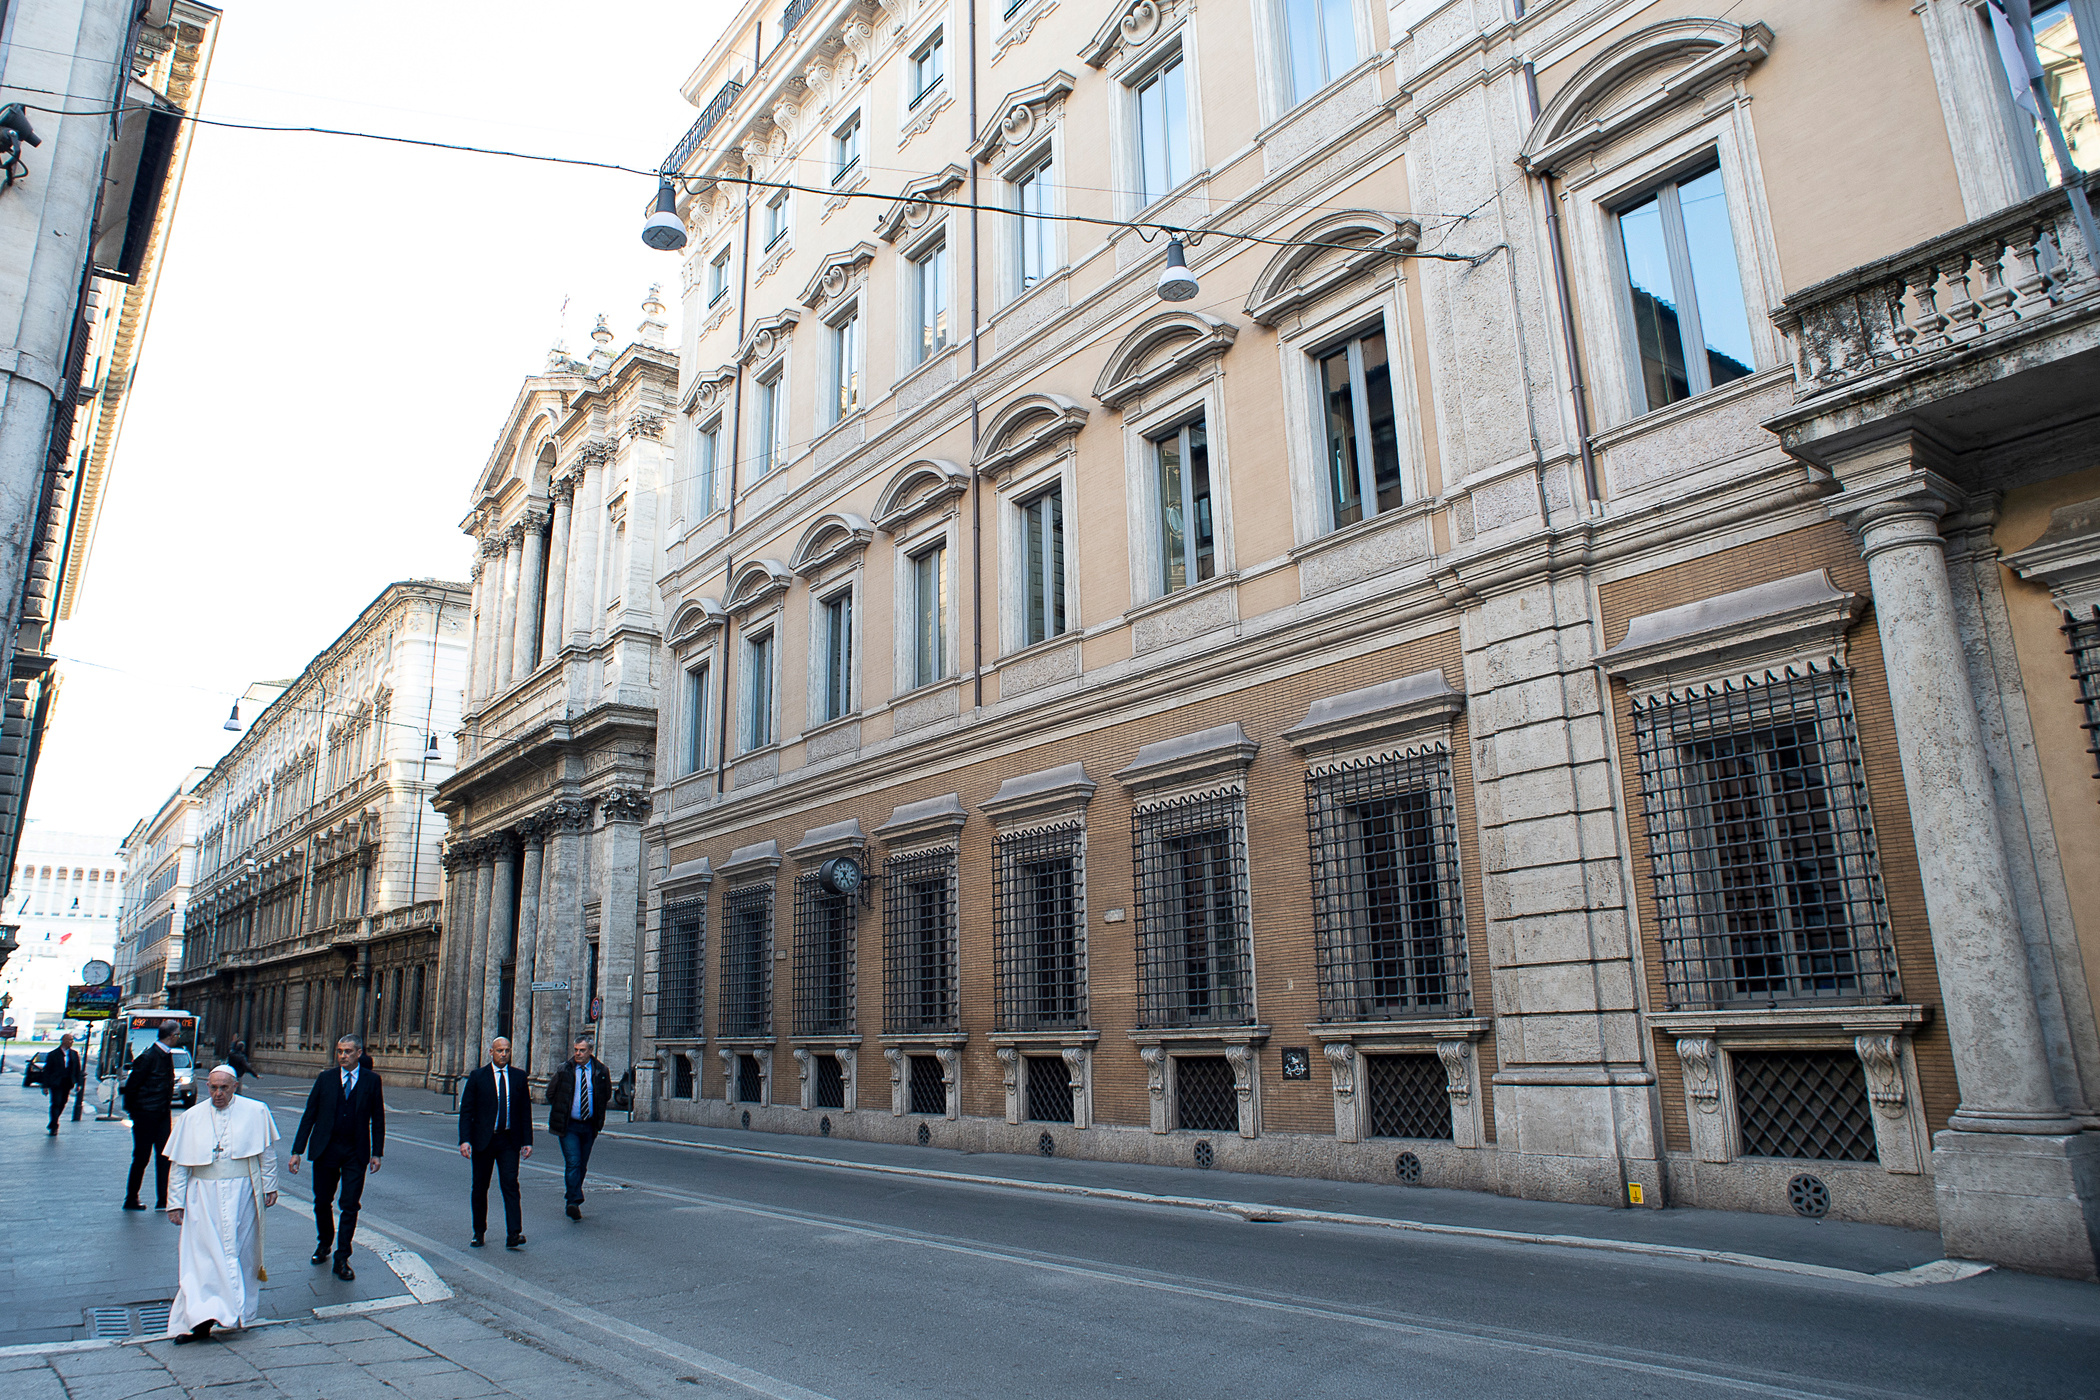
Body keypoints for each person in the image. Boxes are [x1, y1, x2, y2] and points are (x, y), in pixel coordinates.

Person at [164, 1066, 278, 1344]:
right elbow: (179, 1165)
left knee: (238, 1253)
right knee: (201, 1258)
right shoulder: (191, 1117)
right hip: (201, 1197)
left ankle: (235, 1314)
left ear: (235, 1086)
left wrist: (270, 1186)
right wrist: (175, 1203)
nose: (217, 1094)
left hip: (242, 1196)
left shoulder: (256, 1111)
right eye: (213, 1088)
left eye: (223, 1088)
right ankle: (199, 1320)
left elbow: (266, 1153)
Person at [287, 1034, 384, 1281]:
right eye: (340, 1051)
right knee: (322, 1201)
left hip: (355, 1151)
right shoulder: (325, 1079)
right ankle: (324, 1243)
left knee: (350, 1204)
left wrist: (377, 1153)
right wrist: (297, 1151)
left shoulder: (372, 1081)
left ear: (359, 1053)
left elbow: (378, 1119)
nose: (343, 1055)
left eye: (348, 1051)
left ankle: (342, 1258)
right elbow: (309, 1115)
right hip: (326, 1149)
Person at [457, 1036, 532, 1249]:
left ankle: (514, 1233)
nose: (504, 1054)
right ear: (491, 1052)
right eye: (499, 1050)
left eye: (507, 1050)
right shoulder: (478, 1077)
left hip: (508, 1140)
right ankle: (479, 1231)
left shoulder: (518, 1077)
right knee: (480, 1187)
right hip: (483, 1141)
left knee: (510, 1184)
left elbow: (525, 1111)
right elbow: (466, 1111)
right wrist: (465, 1140)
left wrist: (527, 1141)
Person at [546, 1036, 612, 1220]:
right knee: (573, 1162)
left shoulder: (601, 1071)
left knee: (582, 1165)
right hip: (569, 1126)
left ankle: (573, 1195)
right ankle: (573, 1201)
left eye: (582, 1050)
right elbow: (550, 1093)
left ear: (590, 1050)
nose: (577, 1053)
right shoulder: (565, 1069)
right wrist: (564, 1108)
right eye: (576, 1049)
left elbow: (605, 1095)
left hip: (589, 1125)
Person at [122, 1020, 182, 1210]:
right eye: (178, 1035)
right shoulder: (148, 1057)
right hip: (146, 1115)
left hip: (162, 1114)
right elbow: (131, 1087)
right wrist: (135, 1113)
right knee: (141, 1157)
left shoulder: (165, 1055)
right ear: (171, 1036)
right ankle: (131, 1199)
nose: (179, 1038)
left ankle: (163, 1200)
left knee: (164, 1157)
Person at [41, 1032, 81, 1135]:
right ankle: (54, 1126)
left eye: (72, 1040)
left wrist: (78, 1083)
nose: (71, 1042)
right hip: (56, 1083)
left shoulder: (74, 1054)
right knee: (56, 1103)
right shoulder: (53, 1054)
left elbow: (77, 1069)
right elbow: (47, 1071)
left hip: (67, 1083)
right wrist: (45, 1086)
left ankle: (53, 1121)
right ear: (63, 1041)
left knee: (63, 1103)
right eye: (69, 1040)